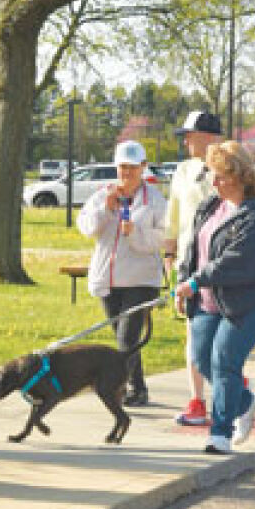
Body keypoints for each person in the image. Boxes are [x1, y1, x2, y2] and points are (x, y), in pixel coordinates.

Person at [174, 141, 255, 454]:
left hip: (251, 300)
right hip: (208, 299)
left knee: (225, 359)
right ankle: (245, 401)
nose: (214, 183)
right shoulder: (210, 206)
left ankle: (220, 433)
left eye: (222, 176)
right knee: (201, 358)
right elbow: (193, 249)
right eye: (212, 175)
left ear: (241, 177)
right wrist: (183, 283)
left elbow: (239, 262)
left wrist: (196, 281)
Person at [78, 140, 167, 406]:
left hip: (141, 279)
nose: (126, 174)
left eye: (132, 168)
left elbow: (164, 238)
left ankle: (131, 388)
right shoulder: (102, 195)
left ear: (143, 167)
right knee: (122, 337)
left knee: (127, 337)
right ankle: (137, 386)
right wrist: (105, 209)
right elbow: (87, 228)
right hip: (108, 279)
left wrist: (135, 233)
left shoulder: (155, 200)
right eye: (122, 168)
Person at [163, 110, 224, 425]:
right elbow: (173, 216)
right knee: (193, 333)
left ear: (209, 137)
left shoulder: (229, 167)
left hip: (219, 264)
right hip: (189, 263)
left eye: (190, 134)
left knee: (218, 337)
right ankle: (197, 402)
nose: (185, 140)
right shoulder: (183, 171)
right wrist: (169, 254)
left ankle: (233, 394)